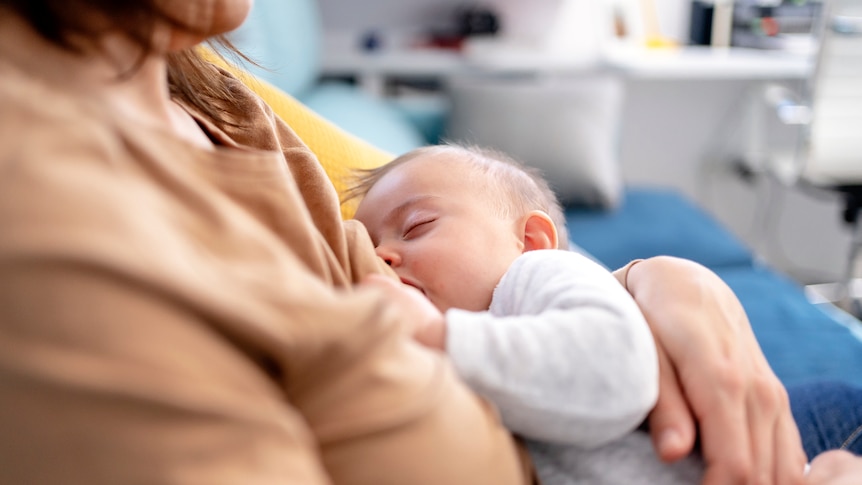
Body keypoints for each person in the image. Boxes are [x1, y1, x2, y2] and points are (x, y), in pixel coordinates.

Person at [0, 0, 849, 483]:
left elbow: (492, 231)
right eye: (381, 240)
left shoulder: (207, 86)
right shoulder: (50, 208)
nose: (384, 255)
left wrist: (661, 278)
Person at [349, 144, 669, 482]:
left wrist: (436, 334)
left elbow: (616, 367)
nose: (380, 254)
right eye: (369, 248)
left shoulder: (537, 272)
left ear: (530, 240)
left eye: (417, 225)